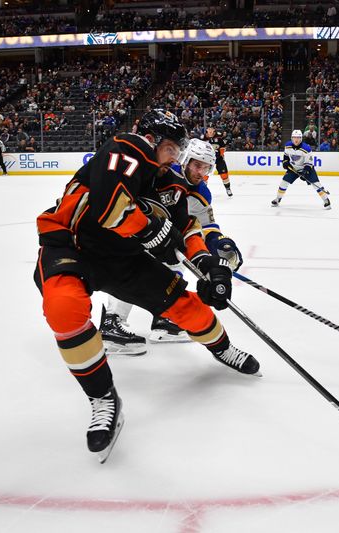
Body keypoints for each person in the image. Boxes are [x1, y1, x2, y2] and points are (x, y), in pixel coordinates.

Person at [33, 110, 260, 462]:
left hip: (122, 258)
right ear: (153, 140)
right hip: (72, 246)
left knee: (186, 308)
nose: (175, 158)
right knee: (64, 309)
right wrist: (151, 230)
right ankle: (104, 399)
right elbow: (111, 207)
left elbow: (187, 230)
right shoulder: (126, 147)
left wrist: (207, 265)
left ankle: (222, 348)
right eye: (171, 149)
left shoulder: (171, 184)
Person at [101, 138, 244, 353]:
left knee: (174, 266)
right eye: (197, 165)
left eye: (206, 167)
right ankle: (111, 322)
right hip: (136, 232)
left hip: (166, 239)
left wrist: (220, 244)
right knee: (134, 266)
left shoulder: (202, 193)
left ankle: (162, 321)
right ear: (185, 160)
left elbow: (206, 224)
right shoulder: (162, 174)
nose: (201, 171)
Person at [271, 130, 331, 209]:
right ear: (292, 138)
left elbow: (309, 163)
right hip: (293, 168)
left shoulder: (306, 148)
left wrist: (305, 172)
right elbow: (285, 156)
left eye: (298, 138)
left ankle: (326, 200)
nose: (296, 139)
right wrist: (285, 162)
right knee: (284, 182)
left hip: (306, 168)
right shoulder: (288, 146)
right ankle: (278, 199)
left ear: (301, 138)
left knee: (316, 184)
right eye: (294, 137)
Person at [202, 126, 232, 197]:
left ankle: (228, 188)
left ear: (214, 130)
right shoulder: (203, 138)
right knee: (204, 176)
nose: (210, 131)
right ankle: (203, 190)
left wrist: (220, 153)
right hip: (207, 160)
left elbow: (223, 147)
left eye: (211, 129)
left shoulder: (219, 137)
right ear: (207, 130)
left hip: (219, 159)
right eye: (209, 129)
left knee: (224, 174)